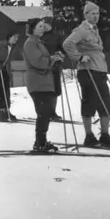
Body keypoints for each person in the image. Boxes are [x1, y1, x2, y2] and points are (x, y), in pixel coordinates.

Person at [62, 2, 110, 147]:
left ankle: (105, 135)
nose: (96, 16)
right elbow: (67, 43)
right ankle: (89, 136)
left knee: (105, 103)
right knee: (89, 103)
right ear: (86, 14)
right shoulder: (82, 30)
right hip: (87, 71)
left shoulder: (94, 30)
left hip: (99, 70)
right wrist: (79, 57)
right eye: (93, 13)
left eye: (97, 13)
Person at [24, 18, 65, 152]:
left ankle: (41, 141)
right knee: (43, 112)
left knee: (46, 112)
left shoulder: (38, 42)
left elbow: (44, 59)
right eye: (40, 26)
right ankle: (40, 143)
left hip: (44, 81)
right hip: (37, 81)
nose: (43, 29)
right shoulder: (31, 43)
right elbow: (38, 61)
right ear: (33, 29)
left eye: (43, 26)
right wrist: (52, 59)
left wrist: (55, 57)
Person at [0, 30, 20, 121]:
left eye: (17, 37)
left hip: (3, 69)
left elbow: (7, 60)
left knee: (6, 90)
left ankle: (7, 110)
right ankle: (1, 111)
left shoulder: (12, 47)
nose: (16, 39)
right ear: (9, 37)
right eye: (14, 37)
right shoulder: (0, 45)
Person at [40, 17, 65, 121]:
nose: (44, 27)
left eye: (46, 24)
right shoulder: (39, 37)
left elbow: (62, 49)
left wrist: (61, 54)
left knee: (55, 90)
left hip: (55, 65)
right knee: (45, 90)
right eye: (43, 25)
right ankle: (45, 111)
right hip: (43, 66)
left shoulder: (56, 36)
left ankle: (52, 112)